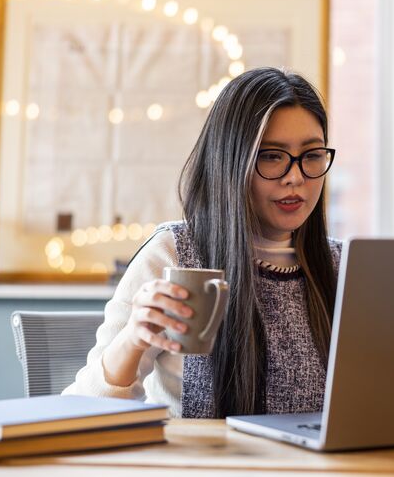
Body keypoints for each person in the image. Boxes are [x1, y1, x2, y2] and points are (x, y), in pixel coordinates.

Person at [63, 67, 341, 419]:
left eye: (312, 155)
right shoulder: (173, 254)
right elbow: (80, 409)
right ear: (230, 161)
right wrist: (134, 339)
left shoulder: (344, 267)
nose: (296, 177)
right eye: (272, 156)